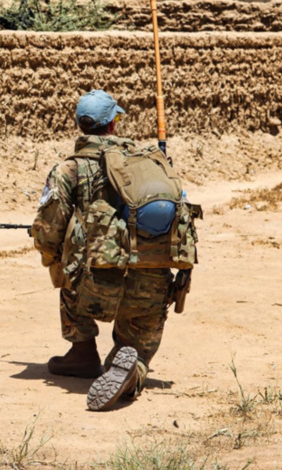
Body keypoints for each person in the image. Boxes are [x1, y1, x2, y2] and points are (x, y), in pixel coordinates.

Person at [31, 90, 175, 411]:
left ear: (82, 126)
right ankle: (131, 368)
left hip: (93, 287)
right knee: (137, 346)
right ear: (112, 125)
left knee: (68, 266)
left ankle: (82, 352)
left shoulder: (68, 170)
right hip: (150, 285)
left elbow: (47, 231)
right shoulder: (148, 163)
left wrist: (56, 260)